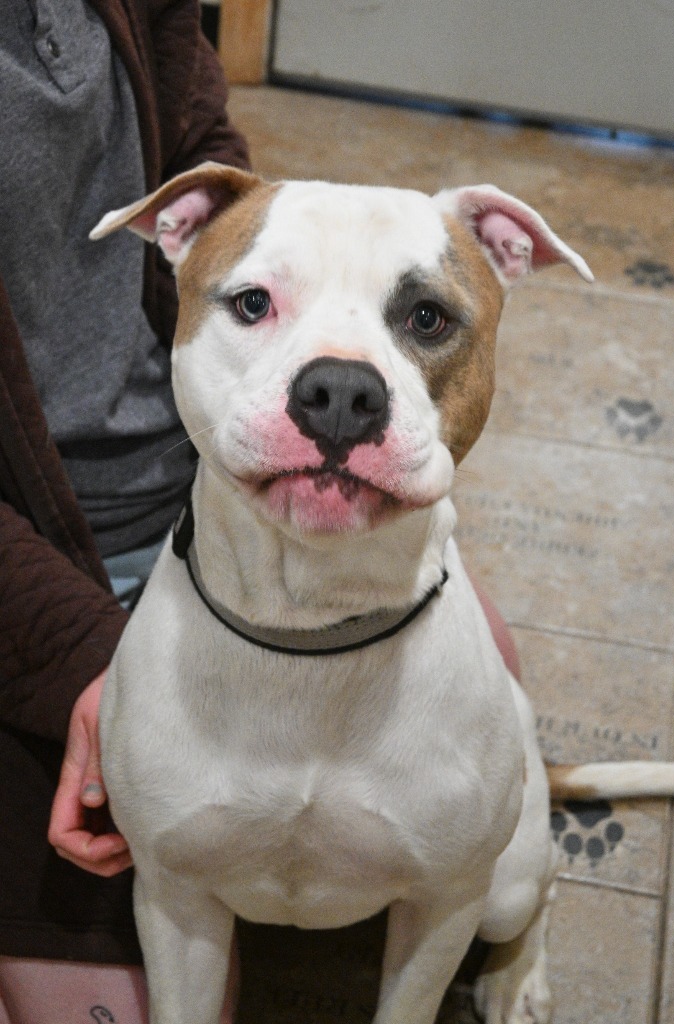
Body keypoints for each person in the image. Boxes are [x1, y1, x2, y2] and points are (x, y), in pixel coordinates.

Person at [0, 2, 521, 1021]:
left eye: (423, 320)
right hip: (29, 558)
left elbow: (199, 150)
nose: (339, 388)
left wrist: (266, 276)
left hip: (191, 466)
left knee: (484, 753)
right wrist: (71, 656)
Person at [0, 1, 248, 1021]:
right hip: (29, 569)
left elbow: (198, 148)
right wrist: (92, 661)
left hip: (181, 485)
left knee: (477, 668)